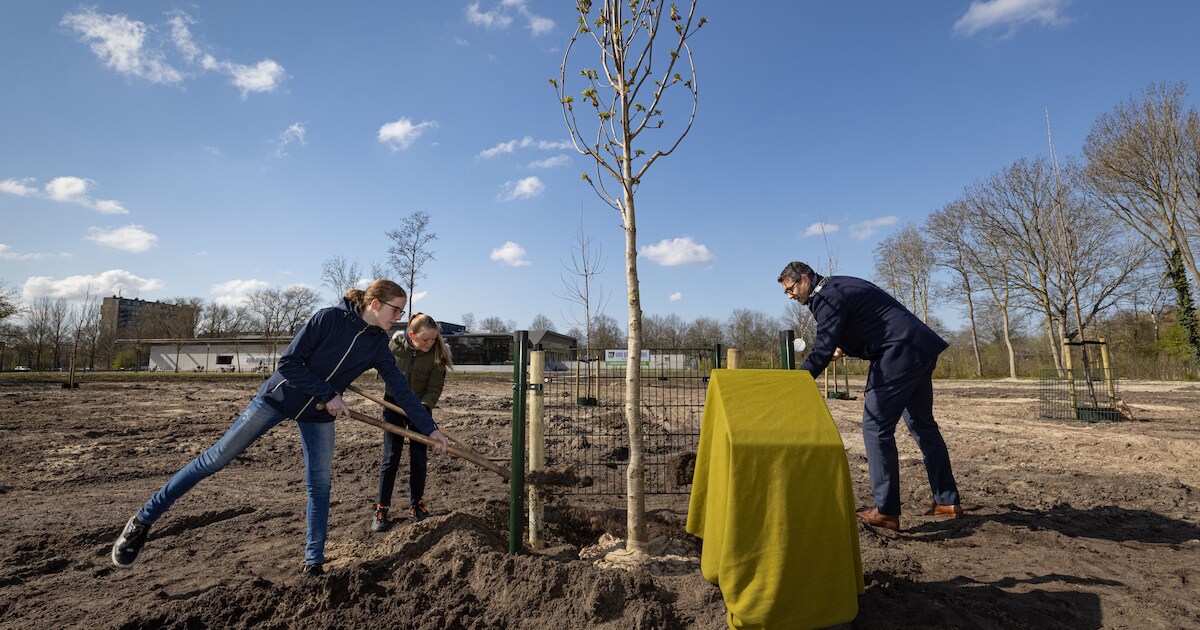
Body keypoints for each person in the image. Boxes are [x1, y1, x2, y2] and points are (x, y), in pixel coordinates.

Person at [110, 280, 450, 575]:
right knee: (215, 459)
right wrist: (328, 393)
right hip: (278, 399)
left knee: (320, 485)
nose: (398, 317)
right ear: (375, 304)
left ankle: (314, 562)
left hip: (317, 414)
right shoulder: (328, 318)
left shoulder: (377, 343)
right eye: (395, 309)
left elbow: (401, 390)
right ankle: (142, 520)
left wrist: (430, 429)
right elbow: (289, 363)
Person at [778, 261, 962, 531]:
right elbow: (868, 321)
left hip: (897, 355)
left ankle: (886, 511)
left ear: (805, 279)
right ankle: (947, 500)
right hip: (919, 347)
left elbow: (821, 350)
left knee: (875, 428)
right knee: (923, 425)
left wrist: (796, 383)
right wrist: (844, 346)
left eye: (791, 289)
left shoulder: (826, 298)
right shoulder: (840, 285)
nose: (790, 296)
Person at [371, 312, 453, 532]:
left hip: (420, 410)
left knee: (419, 458)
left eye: (433, 339)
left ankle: (416, 505)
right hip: (394, 405)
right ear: (411, 335)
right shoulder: (394, 348)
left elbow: (434, 388)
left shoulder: (436, 355)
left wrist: (424, 408)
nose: (430, 343)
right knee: (391, 456)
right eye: (425, 339)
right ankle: (381, 508)